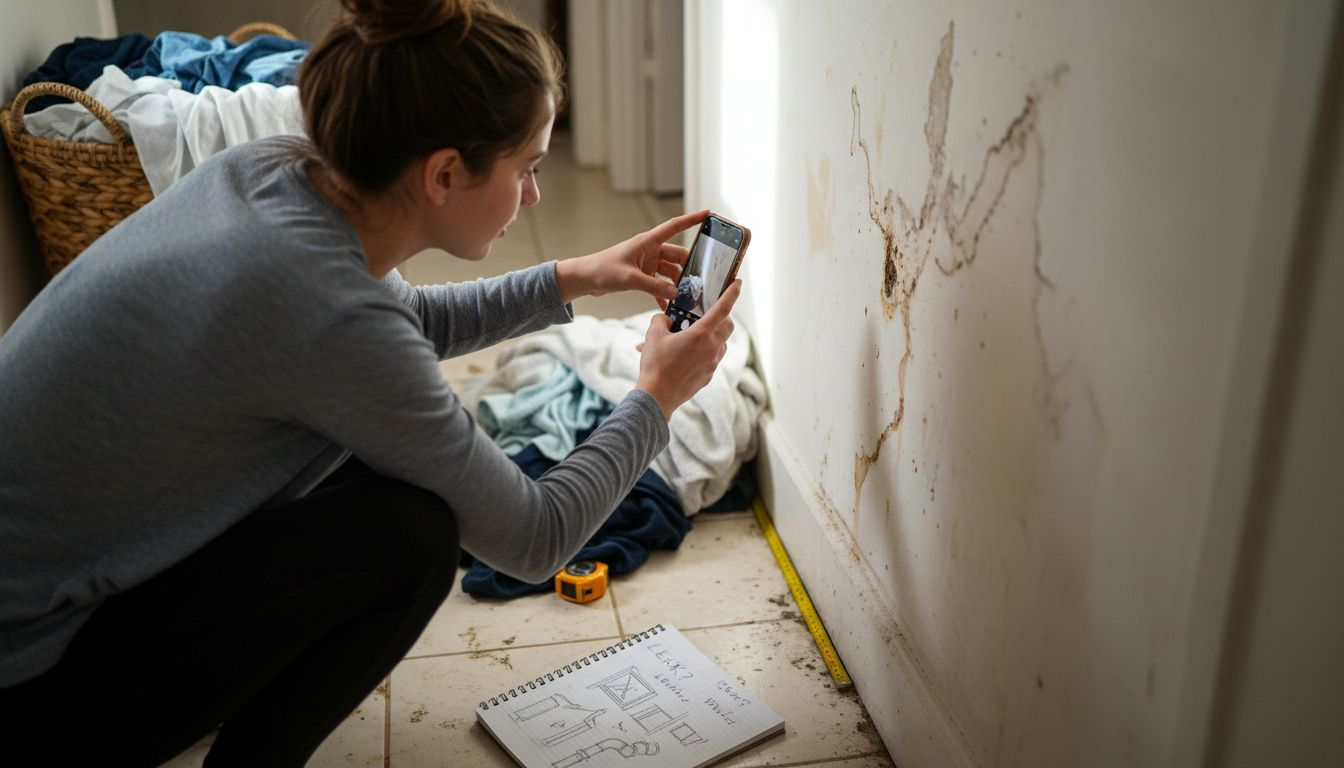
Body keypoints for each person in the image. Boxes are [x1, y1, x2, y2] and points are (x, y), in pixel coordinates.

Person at [0, 0, 740, 764]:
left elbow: (401, 323)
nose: (534, 197)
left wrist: (577, 276)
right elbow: (535, 538)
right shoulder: (327, 312)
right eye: (526, 169)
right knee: (411, 540)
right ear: (444, 173)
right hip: (27, 688)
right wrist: (657, 397)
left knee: (381, 462)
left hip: (39, 598)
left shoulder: (272, 169)